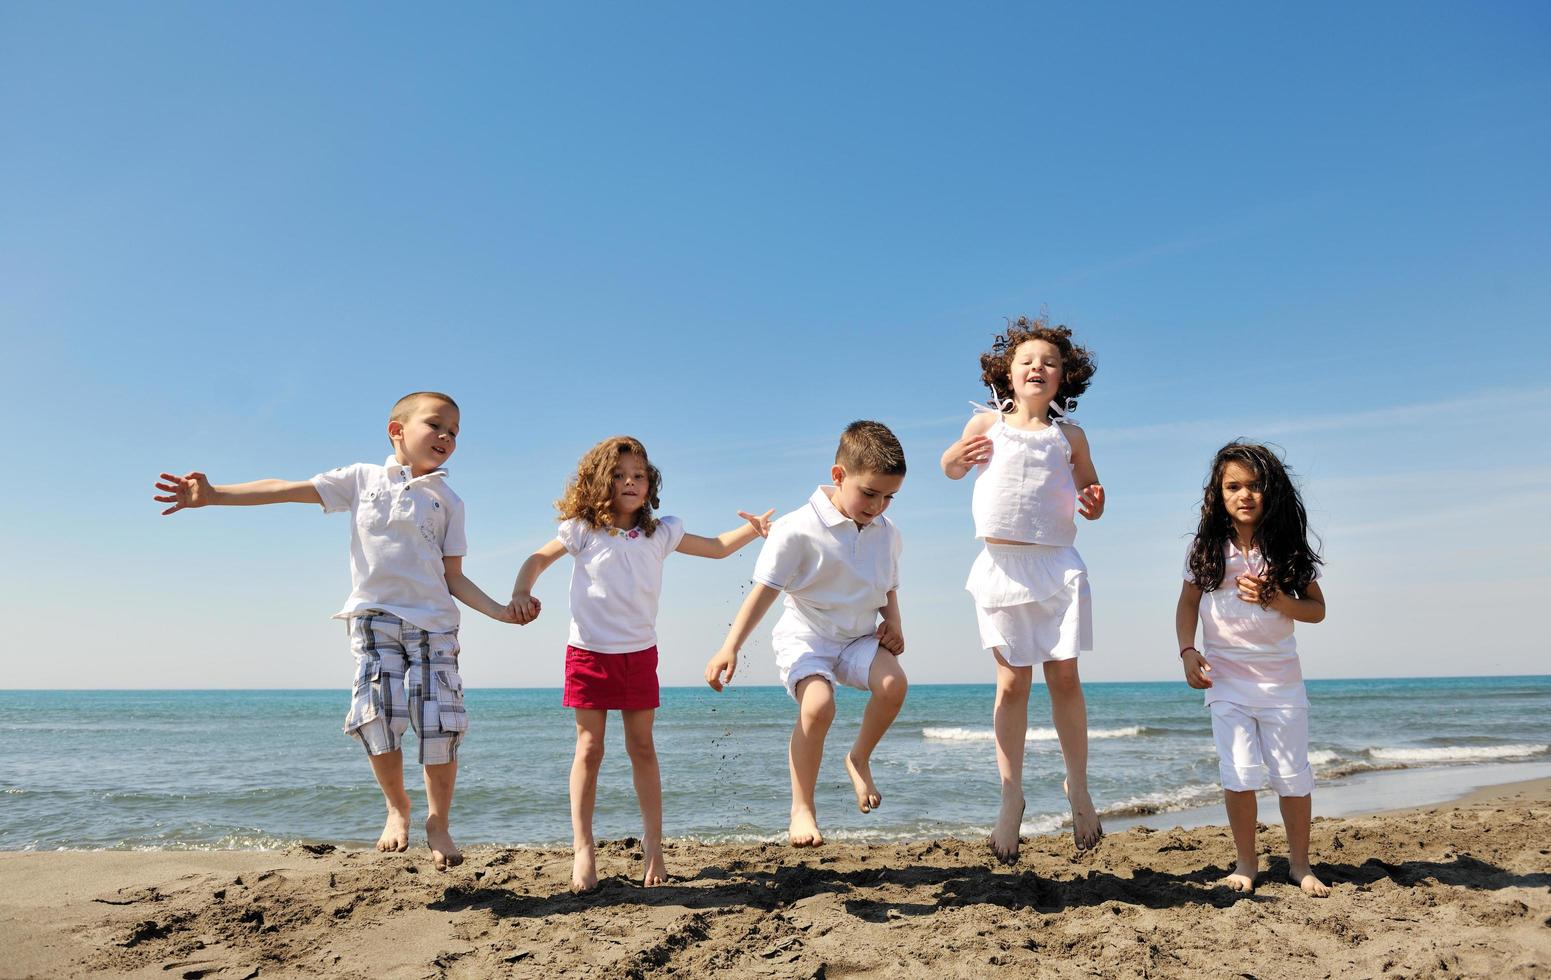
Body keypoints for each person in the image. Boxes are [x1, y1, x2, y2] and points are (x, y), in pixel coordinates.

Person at [152, 391, 515, 871]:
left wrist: (501, 611)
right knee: (376, 715)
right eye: (436, 425)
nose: (446, 436)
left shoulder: (448, 499)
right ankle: (396, 807)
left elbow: (454, 577)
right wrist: (215, 495)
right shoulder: (361, 478)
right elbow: (285, 487)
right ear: (397, 430)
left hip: (434, 627)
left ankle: (438, 822)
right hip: (373, 618)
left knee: (440, 724)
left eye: (455, 431)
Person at [508, 435, 771, 892]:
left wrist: (754, 529)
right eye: (619, 475)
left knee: (642, 749)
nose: (630, 483)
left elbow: (716, 546)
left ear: (650, 484)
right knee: (589, 749)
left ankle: (654, 847)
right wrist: (519, 591)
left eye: (639, 476)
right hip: (588, 654)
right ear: (599, 480)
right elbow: (536, 560)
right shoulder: (581, 531)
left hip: (638, 656)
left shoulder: (660, 532)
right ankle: (583, 848)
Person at [940, 316, 1105, 863]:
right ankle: (1011, 795)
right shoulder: (987, 423)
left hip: (1056, 566)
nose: (1038, 367)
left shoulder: (1071, 436)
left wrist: (1095, 500)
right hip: (1002, 565)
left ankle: (1076, 786)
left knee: (1064, 677)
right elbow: (950, 467)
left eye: (1049, 362)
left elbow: (1091, 491)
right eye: (1027, 361)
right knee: (1012, 685)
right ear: (1006, 374)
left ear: (1064, 378)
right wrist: (957, 459)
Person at [704, 420, 909, 848]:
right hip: (807, 634)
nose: (878, 506)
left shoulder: (887, 534)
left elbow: (888, 585)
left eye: (889, 497)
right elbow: (763, 593)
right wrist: (730, 646)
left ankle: (858, 757)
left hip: (858, 636)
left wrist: (894, 621)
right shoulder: (796, 528)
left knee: (893, 686)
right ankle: (802, 808)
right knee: (818, 708)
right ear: (838, 475)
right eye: (869, 493)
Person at [1176, 442, 1330, 897]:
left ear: (1272, 491)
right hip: (1225, 679)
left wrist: (1276, 598)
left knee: (1291, 775)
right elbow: (1186, 605)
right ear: (1218, 494)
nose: (1245, 494)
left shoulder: (1286, 549)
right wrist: (1187, 651)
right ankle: (1246, 862)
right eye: (1234, 486)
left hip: (1282, 681)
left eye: (1255, 485)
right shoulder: (1204, 549)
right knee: (1239, 771)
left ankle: (1299, 864)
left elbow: (1317, 610)